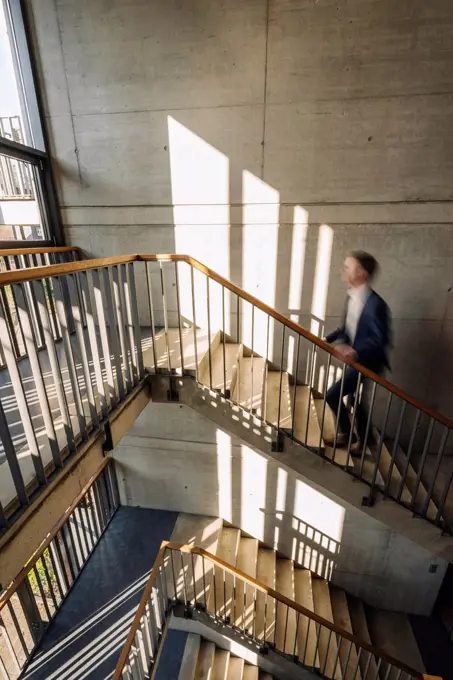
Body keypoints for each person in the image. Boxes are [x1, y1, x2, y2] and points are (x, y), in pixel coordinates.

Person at [324, 251, 391, 452]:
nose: (343, 270)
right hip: (357, 360)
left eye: (348, 267)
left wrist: (355, 351)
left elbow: (381, 339)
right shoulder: (352, 297)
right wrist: (328, 339)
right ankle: (363, 437)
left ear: (362, 273)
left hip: (368, 361)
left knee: (332, 395)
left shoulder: (376, 305)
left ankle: (348, 434)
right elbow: (347, 327)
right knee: (355, 400)